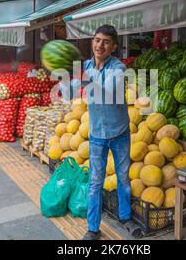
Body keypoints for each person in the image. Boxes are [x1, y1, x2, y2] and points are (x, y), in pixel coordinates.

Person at [61, 25, 134, 240]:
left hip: (119, 132)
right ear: (92, 42)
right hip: (97, 135)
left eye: (106, 42)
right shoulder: (84, 67)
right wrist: (67, 74)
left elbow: (108, 92)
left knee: (123, 177)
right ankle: (93, 228)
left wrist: (84, 76)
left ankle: (125, 217)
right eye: (97, 40)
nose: (100, 45)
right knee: (95, 182)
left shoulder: (118, 68)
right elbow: (68, 93)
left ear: (114, 47)